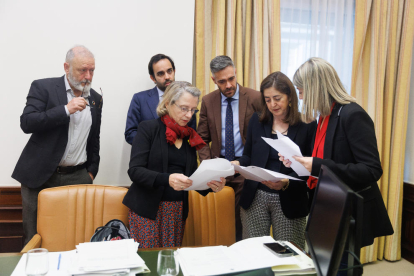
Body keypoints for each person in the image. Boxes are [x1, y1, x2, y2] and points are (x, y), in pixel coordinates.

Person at [280, 57, 394, 248]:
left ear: (315, 87)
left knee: (343, 269)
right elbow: (326, 159)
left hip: (348, 209)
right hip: (326, 206)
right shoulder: (324, 117)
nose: (300, 98)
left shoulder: (352, 114)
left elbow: (372, 170)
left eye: (301, 92)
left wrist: (316, 165)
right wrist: (300, 163)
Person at [12, 45, 103, 245]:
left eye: (92, 70)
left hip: (78, 176)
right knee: (34, 238)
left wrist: (91, 171)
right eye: (82, 70)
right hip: (40, 177)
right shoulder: (43, 87)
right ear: (66, 67)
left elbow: (93, 138)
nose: (88, 76)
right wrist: (65, 110)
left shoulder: (95, 98)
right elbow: (27, 122)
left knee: (74, 236)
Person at [122, 81, 226, 248]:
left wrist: (210, 185)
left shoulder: (189, 136)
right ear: (167, 103)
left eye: (193, 110)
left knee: (169, 263)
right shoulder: (148, 129)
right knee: (150, 265)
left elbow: (191, 178)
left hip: (176, 210)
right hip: (147, 209)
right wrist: (167, 179)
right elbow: (135, 171)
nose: (189, 115)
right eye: (184, 108)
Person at [231, 72, 316, 247]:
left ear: (290, 96)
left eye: (277, 98)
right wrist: (237, 164)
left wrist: (286, 182)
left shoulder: (306, 124)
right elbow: (248, 155)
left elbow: (310, 168)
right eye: (267, 99)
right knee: (254, 252)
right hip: (255, 196)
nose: (272, 104)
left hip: (290, 198)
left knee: (289, 253)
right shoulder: (257, 120)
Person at [197, 55, 261, 241]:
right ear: (213, 80)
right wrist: (210, 168)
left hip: (245, 168)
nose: (228, 85)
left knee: (244, 222)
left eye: (231, 79)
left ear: (235, 72)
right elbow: (201, 139)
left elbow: (262, 138)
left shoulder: (255, 98)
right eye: (222, 81)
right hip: (220, 170)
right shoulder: (208, 102)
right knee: (221, 223)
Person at [125, 54, 196, 145]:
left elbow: (192, 133)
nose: (167, 77)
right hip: (150, 156)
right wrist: (155, 145)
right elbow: (130, 133)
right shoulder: (139, 99)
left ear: (174, 71)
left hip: (179, 156)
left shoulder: (188, 98)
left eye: (169, 71)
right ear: (153, 78)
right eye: (160, 73)